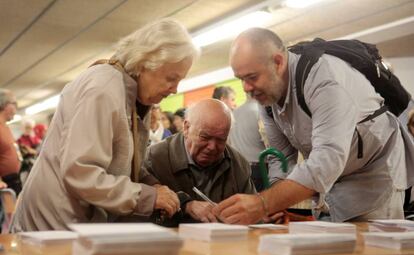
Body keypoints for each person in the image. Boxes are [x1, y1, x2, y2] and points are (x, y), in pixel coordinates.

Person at [11, 18, 199, 231]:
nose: (174, 89)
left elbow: (123, 163)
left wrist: (153, 185)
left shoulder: (135, 96)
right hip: (53, 224)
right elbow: (80, 172)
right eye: (171, 78)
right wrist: (148, 197)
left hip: (73, 222)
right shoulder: (104, 89)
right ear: (145, 63)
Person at [213, 28, 414, 224]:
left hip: (374, 176)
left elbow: (327, 160)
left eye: (252, 77)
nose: (246, 88)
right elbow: (280, 158)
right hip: (334, 181)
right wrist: (275, 205)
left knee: (374, 252)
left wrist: (263, 203)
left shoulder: (323, 77)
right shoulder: (268, 98)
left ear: (278, 62)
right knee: (329, 247)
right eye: (241, 80)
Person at [144, 99, 256, 225]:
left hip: (222, 242)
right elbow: (140, 212)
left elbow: (252, 212)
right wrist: (185, 206)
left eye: (221, 140)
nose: (212, 147)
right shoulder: (154, 159)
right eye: (205, 137)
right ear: (186, 128)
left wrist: (261, 215)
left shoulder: (238, 164)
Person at [229, 94, 267, 191]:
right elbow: (269, 142)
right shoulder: (260, 111)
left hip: (239, 170)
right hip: (260, 169)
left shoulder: (233, 113)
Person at [0, 89, 22, 195]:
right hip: (4, 183)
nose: (16, 108)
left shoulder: (5, 127)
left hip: (14, 179)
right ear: (4, 105)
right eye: (14, 104)